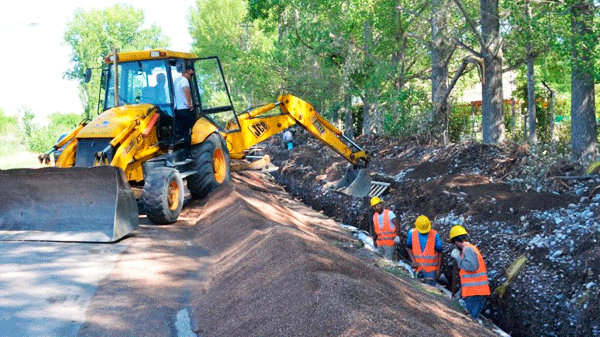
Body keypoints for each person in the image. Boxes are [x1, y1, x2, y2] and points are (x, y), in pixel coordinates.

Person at [449, 225, 490, 320]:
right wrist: (461, 292)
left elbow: (472, 266)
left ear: (456, 241)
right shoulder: (468, 249)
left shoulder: (468, 249)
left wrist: (458, 258)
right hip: (475, 292)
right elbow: (469, 276)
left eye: (454, 242)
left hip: (476, 292)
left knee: (470, 320)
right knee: (470, 319)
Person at [405, 215, 443, 286]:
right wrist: (413, 261)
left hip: (431, 270)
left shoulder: (435, 235)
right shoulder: (412, 233)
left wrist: (438, 269)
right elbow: (408, 248)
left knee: (430, 292)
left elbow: (440, 252)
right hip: (418, 268)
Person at [370, 197, 401, 261]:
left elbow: (397, 224)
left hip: (390, 244)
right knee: (380, 261)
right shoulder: (374, 216)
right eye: (374, 207)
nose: (377, 208)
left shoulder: (389, 213)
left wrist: (397, 235)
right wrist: (374, 240)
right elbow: (375, 229)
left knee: (388, 262)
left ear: (381, 204)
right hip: (380, 243)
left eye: (378, 205)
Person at [174, 67, 195, 146]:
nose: (191, 77)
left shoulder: (176, 80)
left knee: (182, 131)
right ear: (186, 72)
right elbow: (186, 90)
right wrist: (190, 104)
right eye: (191, 74)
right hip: (185, 109)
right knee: (188, 132)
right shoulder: (184, 80)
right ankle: (188, 153)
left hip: (177, 109)